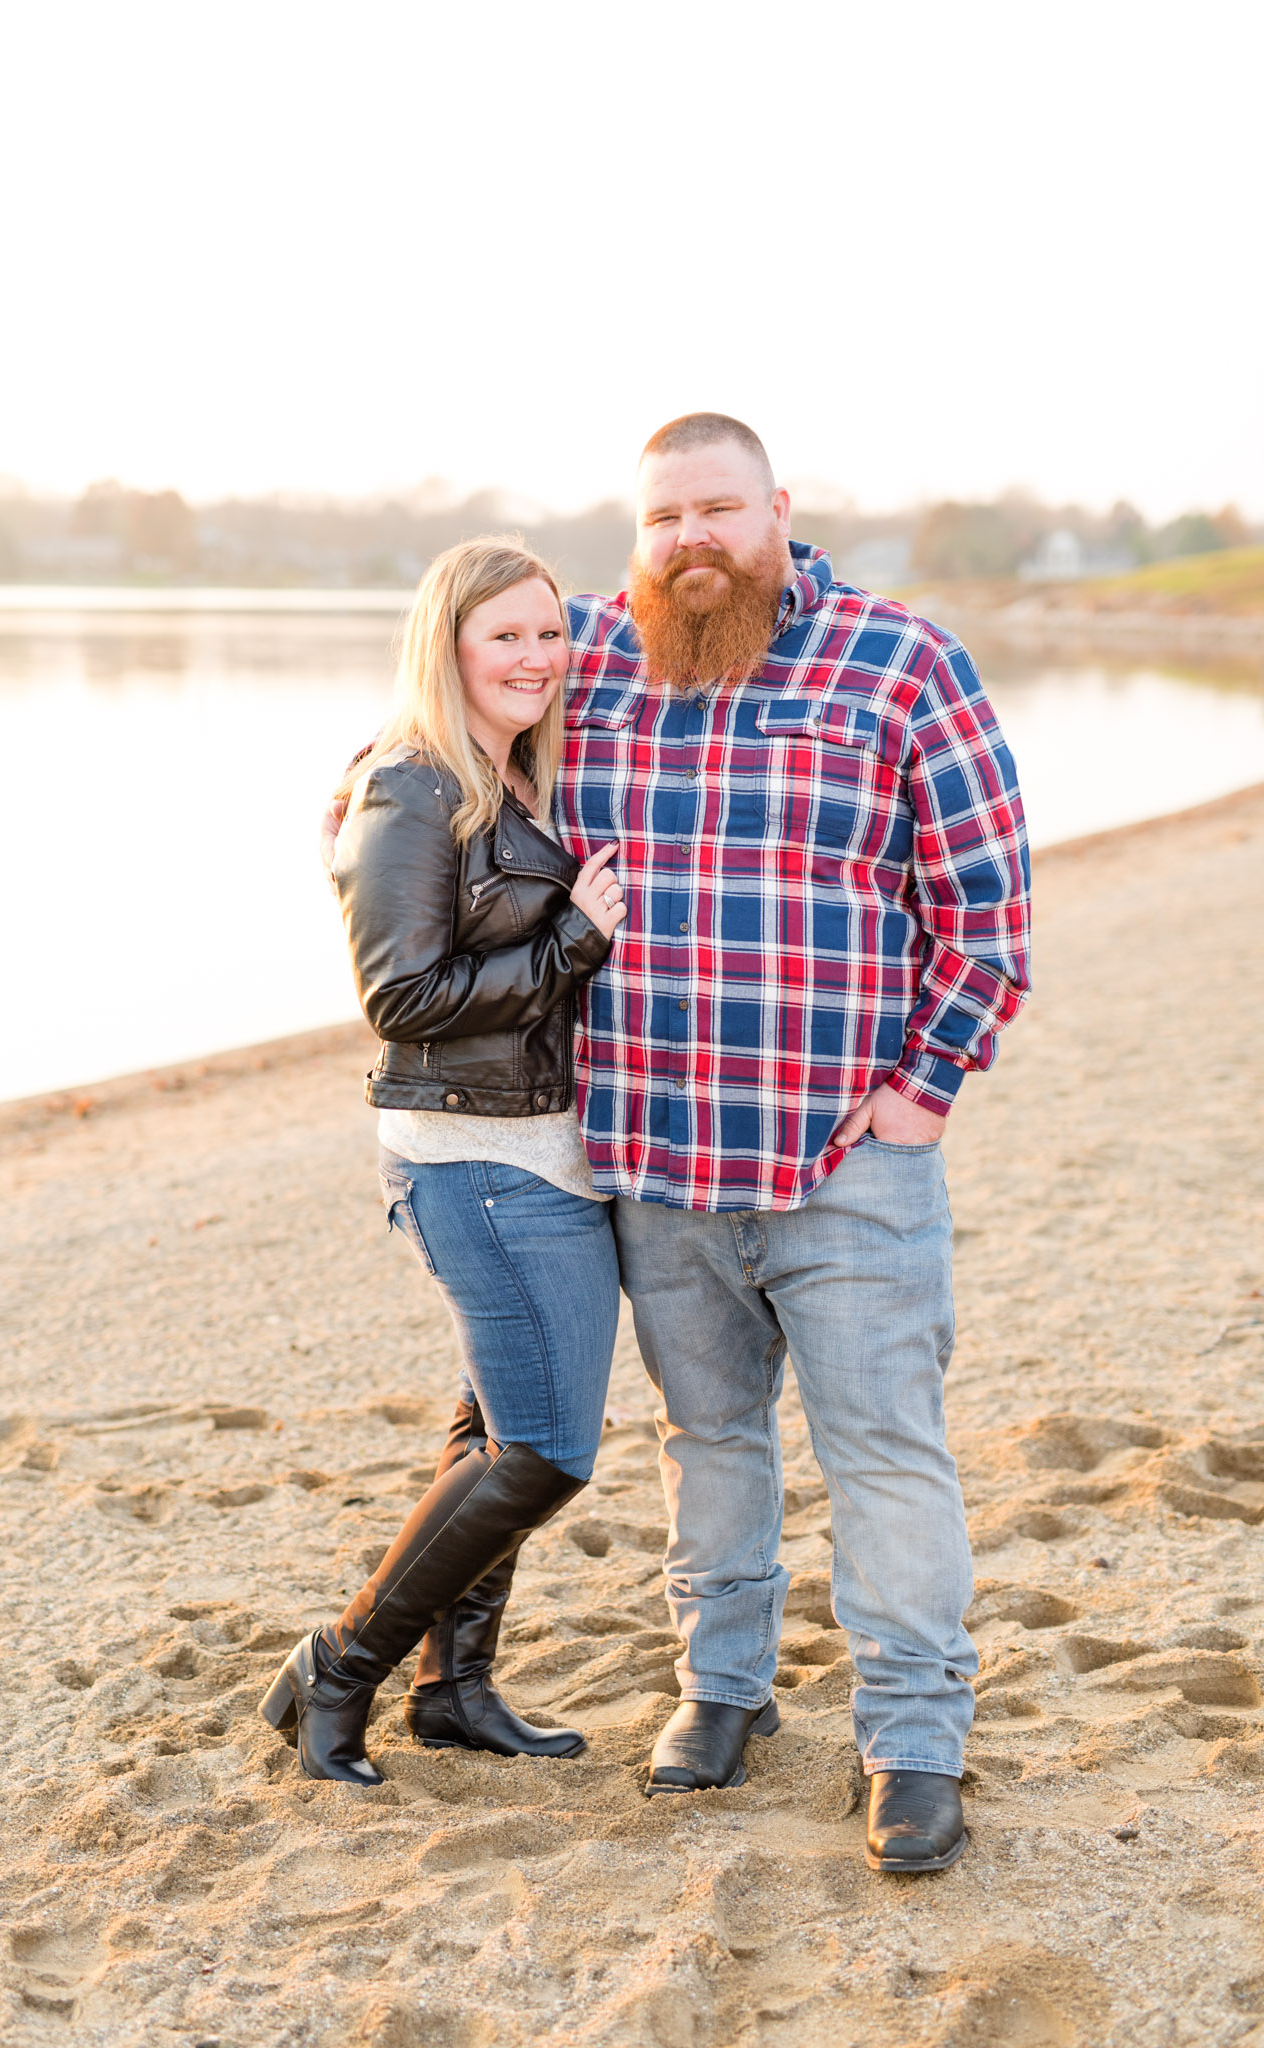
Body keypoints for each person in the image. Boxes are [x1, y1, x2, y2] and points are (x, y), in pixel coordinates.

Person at [322, 415, 1031, 1873]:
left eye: (717, 509)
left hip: (845, 1165)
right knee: (705, 1442)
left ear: (779, 509)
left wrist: (920, 1089)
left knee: (883, 1453)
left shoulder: (898, 665)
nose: (689, 540)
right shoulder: (595, 653)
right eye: (662, 520)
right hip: (645, 1156)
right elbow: (453, 693)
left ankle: (908, 1741)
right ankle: (719, 1692)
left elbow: (988, 913)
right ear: (634, 536)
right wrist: (362, 791)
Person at [263, 537, 627, 1785]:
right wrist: (574, 940)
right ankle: (341, 1661)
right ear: (449, 645)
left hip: (542, 1147)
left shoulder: (513, 772)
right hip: (473, 1159)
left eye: (548, 632)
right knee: (543, 1449)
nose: (534, 657)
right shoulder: (413, 781)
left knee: (490, 1428)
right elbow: (399, 994)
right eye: (503, 636)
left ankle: (456, 1688)